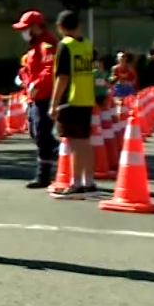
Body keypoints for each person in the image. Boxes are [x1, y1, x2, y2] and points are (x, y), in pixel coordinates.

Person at [49, 10, 98, 199]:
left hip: (70, 99)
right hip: (86, 98)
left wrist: (54, 104)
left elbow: (62, 77)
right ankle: (89, 182)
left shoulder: (65, 46)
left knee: (74, 143)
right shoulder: (86, 45)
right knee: (85, 142)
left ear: (60, 27)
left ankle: (76, 184)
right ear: (78, 25)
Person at [12, 10, 59, 189]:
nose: (23, 32)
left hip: (45, 96)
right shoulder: (35, 46)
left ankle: (43, 175)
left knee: (41, 133)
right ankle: (59, 153)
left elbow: (49, 68)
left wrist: (36, 84)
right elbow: (31, 69)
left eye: (26, 28)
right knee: (35, 132)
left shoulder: (46, 44)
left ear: (35, 27)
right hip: (35, 97)